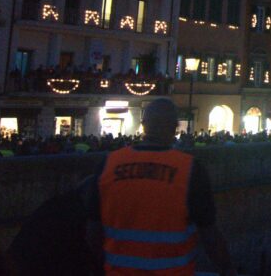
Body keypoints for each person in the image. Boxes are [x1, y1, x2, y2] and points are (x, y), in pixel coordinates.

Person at [84, 98, 236, 275]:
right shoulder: (190, 170)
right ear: (175, 127)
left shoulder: (109, 164)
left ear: (143, 125)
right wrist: (228, 269)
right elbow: (210, 236)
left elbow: (93, 232)